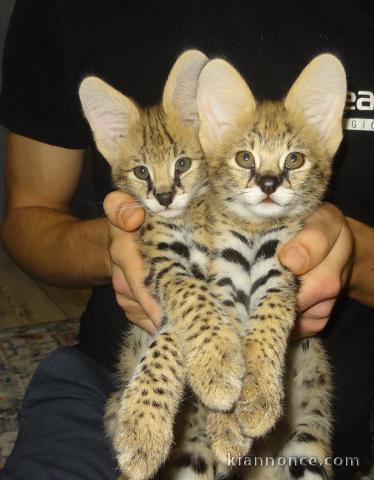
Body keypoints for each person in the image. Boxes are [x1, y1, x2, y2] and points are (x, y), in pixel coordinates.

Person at [0, 1, 373, 479]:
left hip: (302, 406)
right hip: (109, 379)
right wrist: (125, 246)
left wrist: (355, 259)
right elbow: (25, 214)